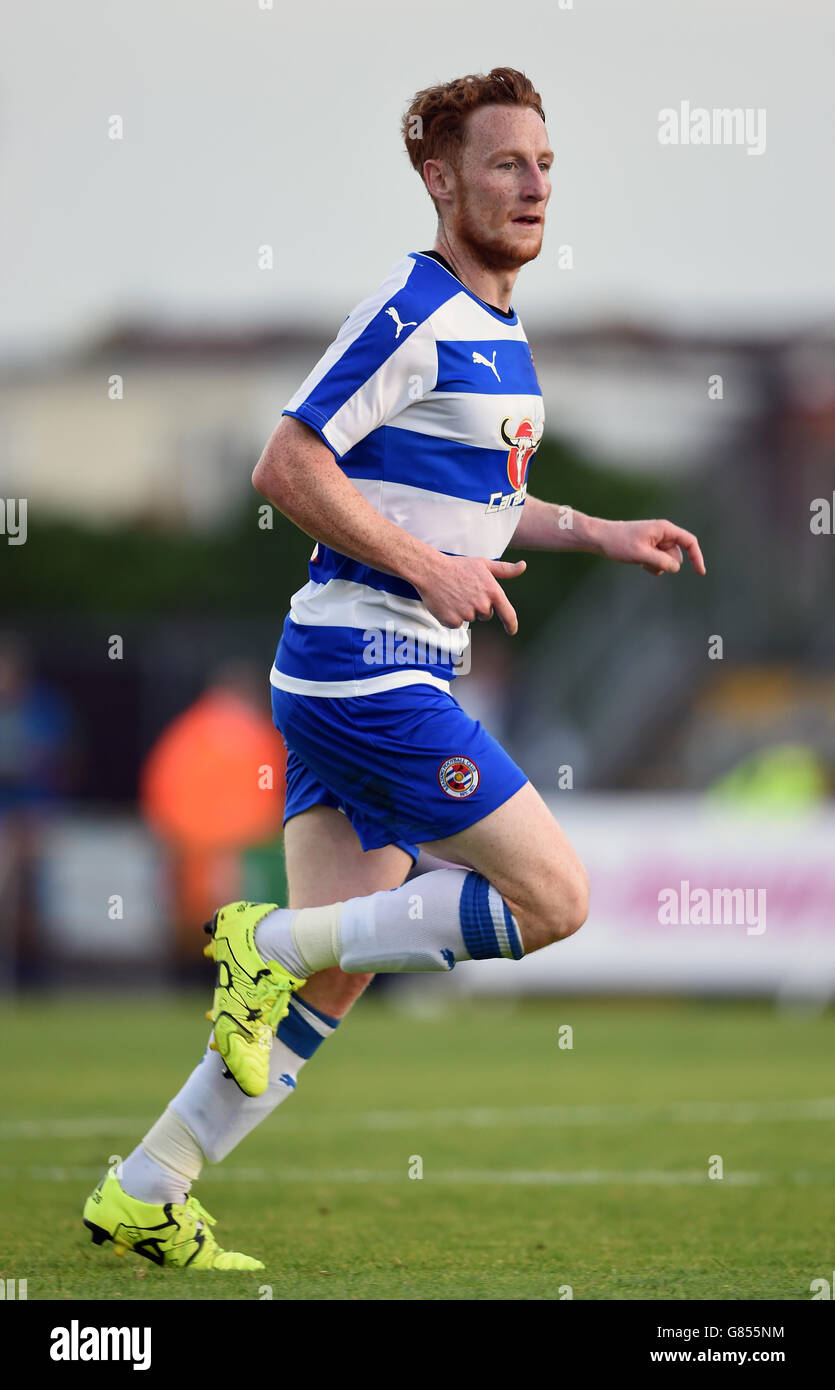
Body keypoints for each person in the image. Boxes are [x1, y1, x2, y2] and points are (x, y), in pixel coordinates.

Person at [83, 67, 705, 1270]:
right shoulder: (411, 311)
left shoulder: (501, 332)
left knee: (334, 971)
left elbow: (481, 506)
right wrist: (422, 566)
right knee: (554, 901)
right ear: (439, 179)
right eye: (503, 164)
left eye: (543, 165)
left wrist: (598, 533)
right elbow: (284, 465)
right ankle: (259, 946)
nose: (531, 187)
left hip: (351, 671)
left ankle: (148, 1182)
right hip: (367, 667)